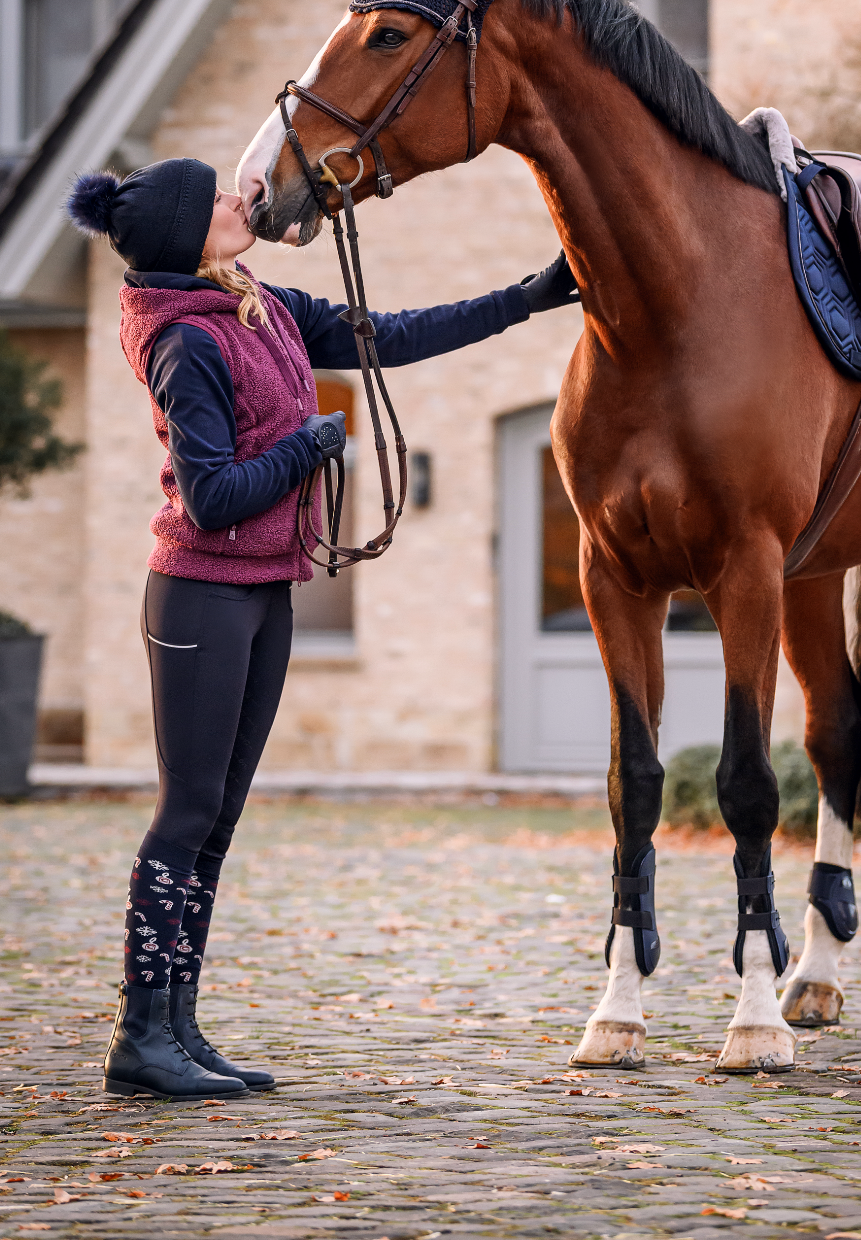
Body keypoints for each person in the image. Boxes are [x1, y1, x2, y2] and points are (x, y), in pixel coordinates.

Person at [67, 156, 578, 1100]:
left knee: (216, 819)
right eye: (218, 196)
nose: (238, 199)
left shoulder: (252, 304)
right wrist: (310, 443)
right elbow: (214, 497)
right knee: (186, 813)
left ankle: (178, 1029)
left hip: (264, 590)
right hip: (202, 593)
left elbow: (387, 335)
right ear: (189, 234)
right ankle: (141, 1035)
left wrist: (530, 297)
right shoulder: (187, 342)